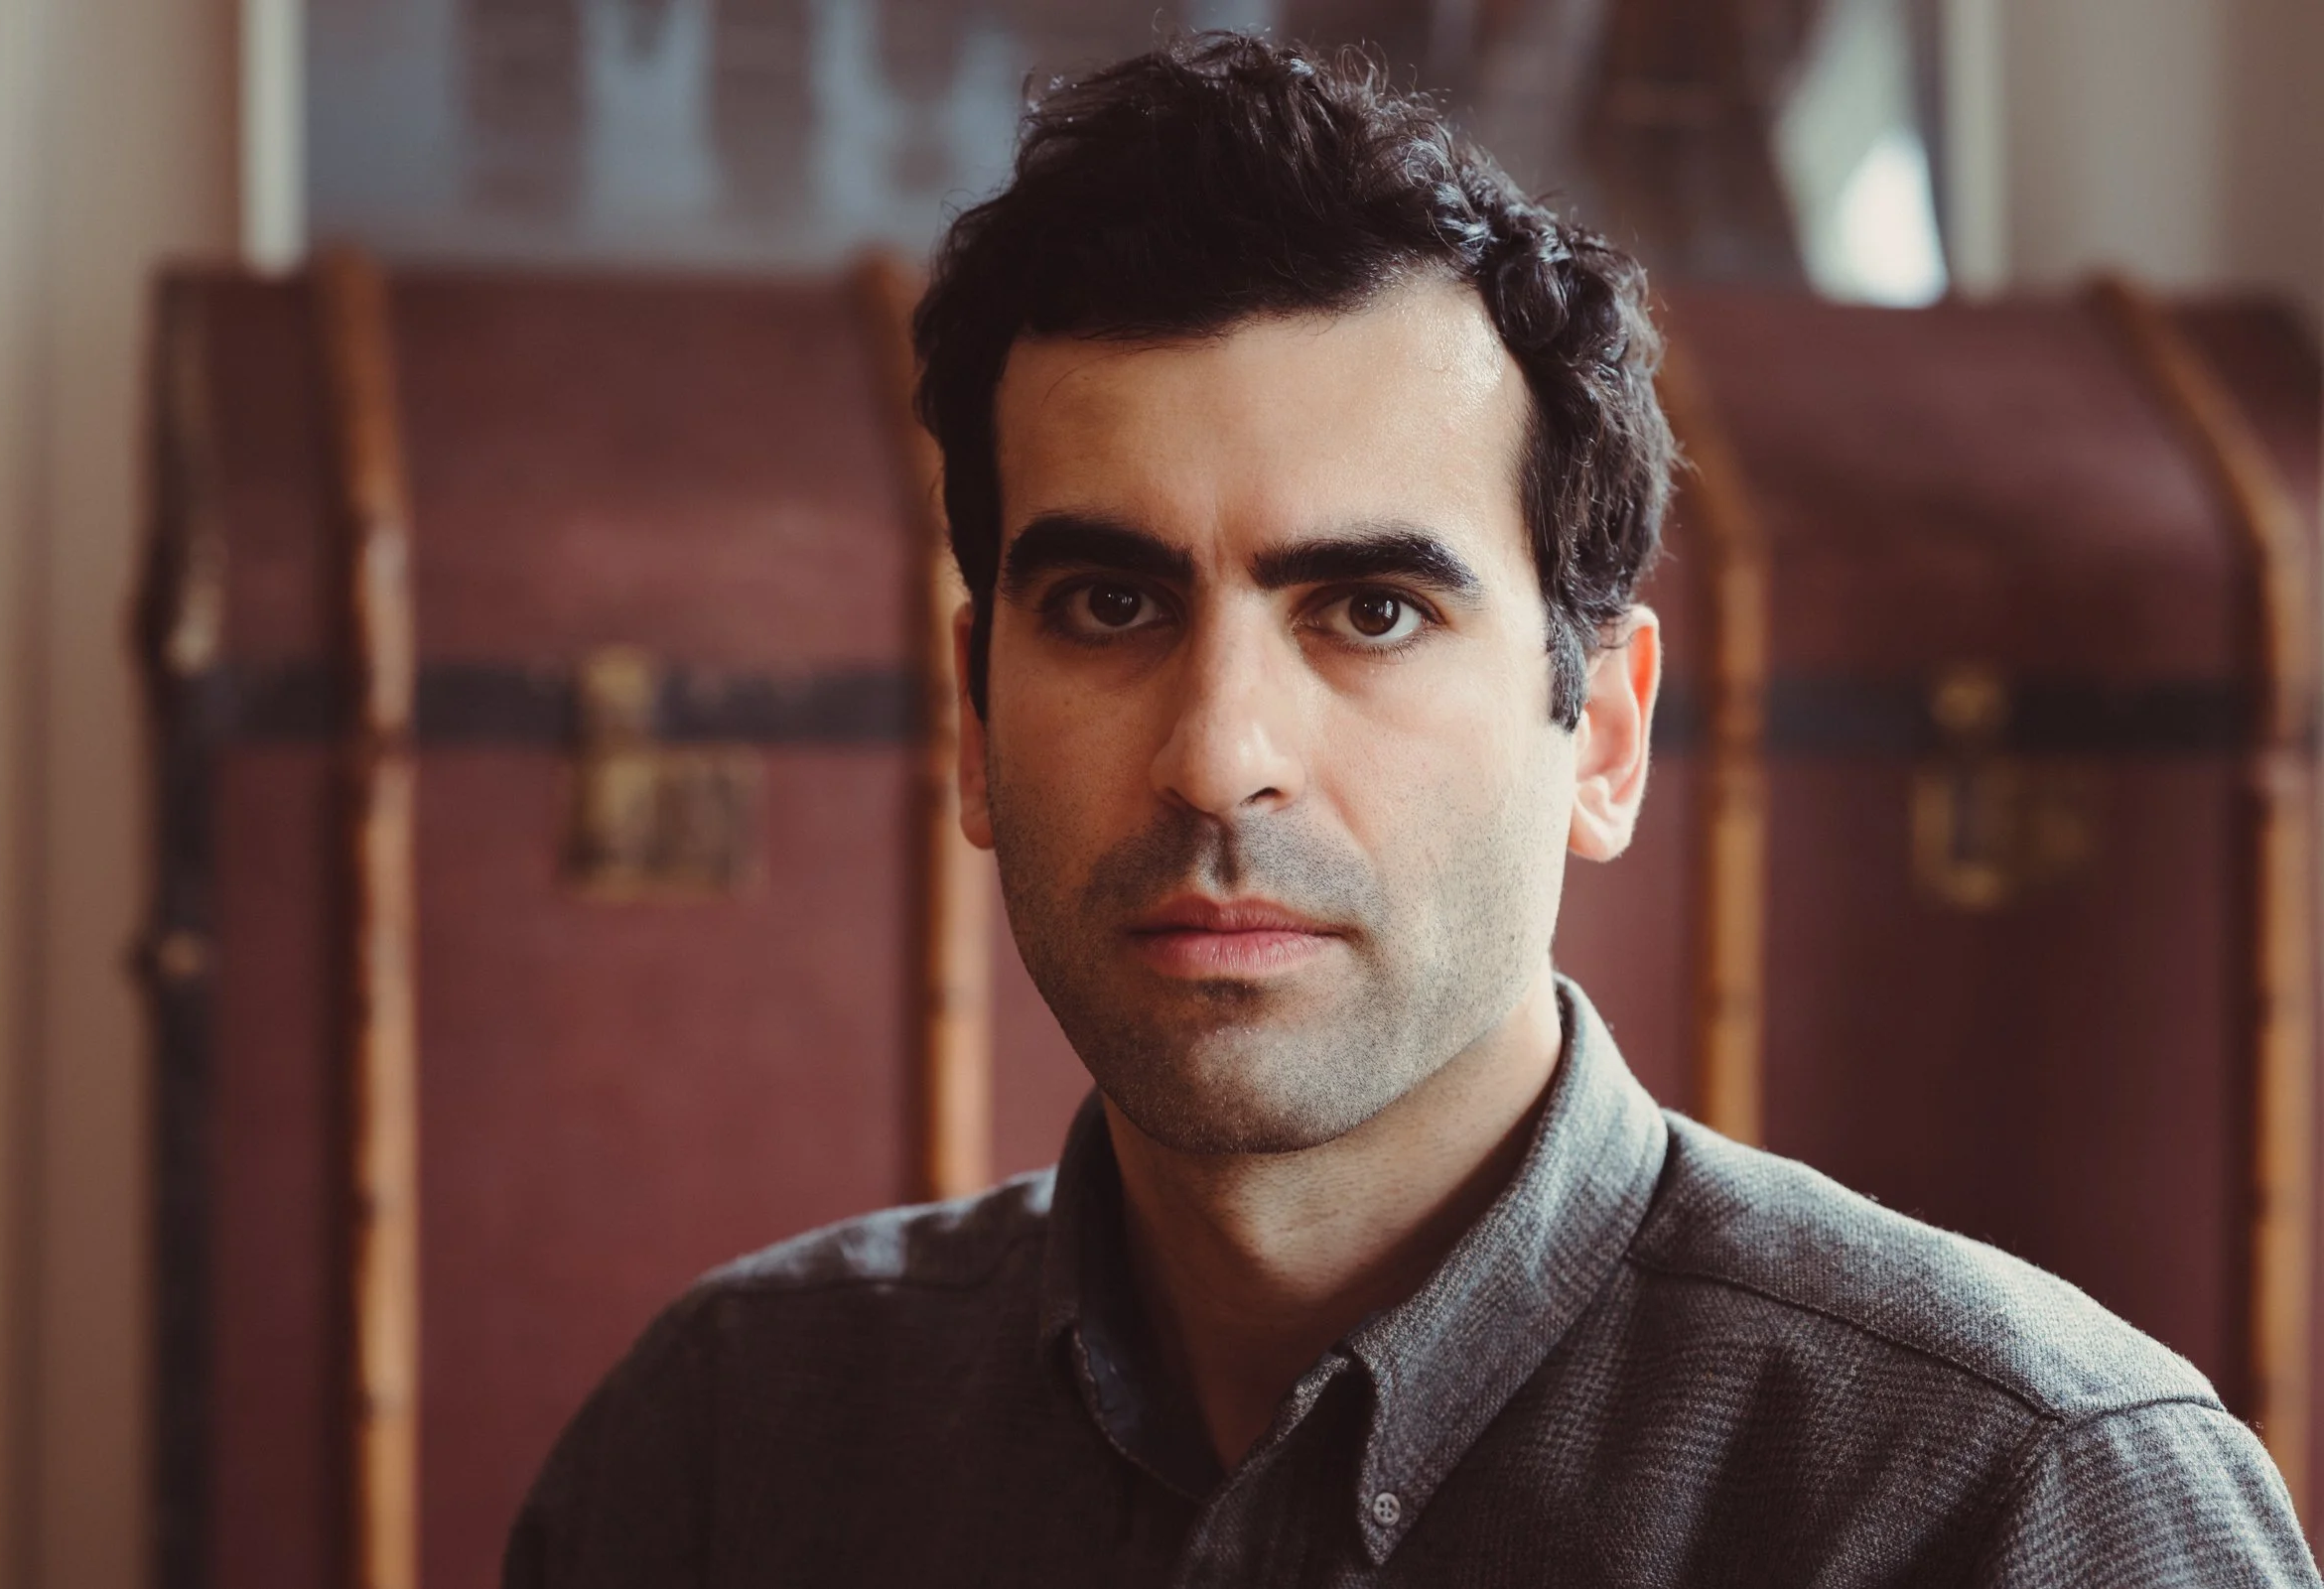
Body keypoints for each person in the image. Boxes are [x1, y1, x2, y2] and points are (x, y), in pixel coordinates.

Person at [504, 33, 2316, 1586]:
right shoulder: (725, 1451)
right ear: (977, 725)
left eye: (1370, 611)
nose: (1218, 756)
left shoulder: (2022, 1506)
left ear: (1603, 735)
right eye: (1111, 605)